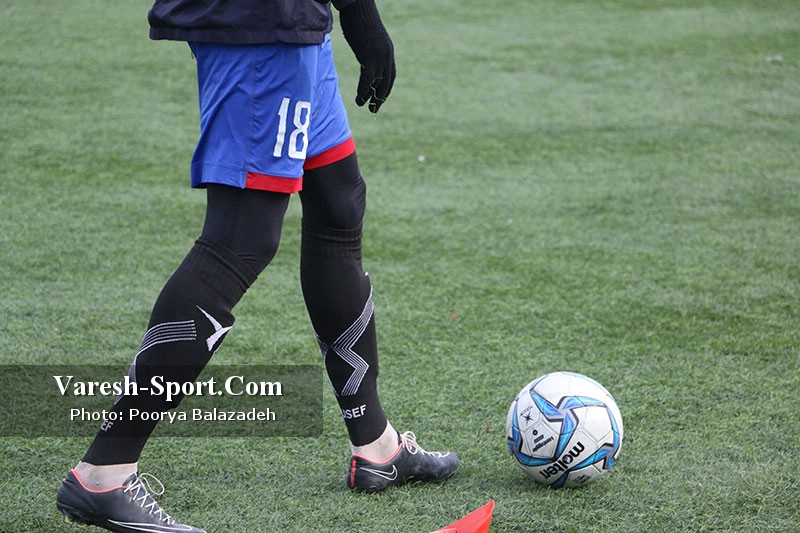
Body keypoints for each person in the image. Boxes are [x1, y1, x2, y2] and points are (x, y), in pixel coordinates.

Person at [56, 1, 459, 531]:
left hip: (296, 24)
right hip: (262, 26)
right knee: (239, 239)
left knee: (337, 201)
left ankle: (377, 446)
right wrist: (363, 17)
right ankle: (104, 472)